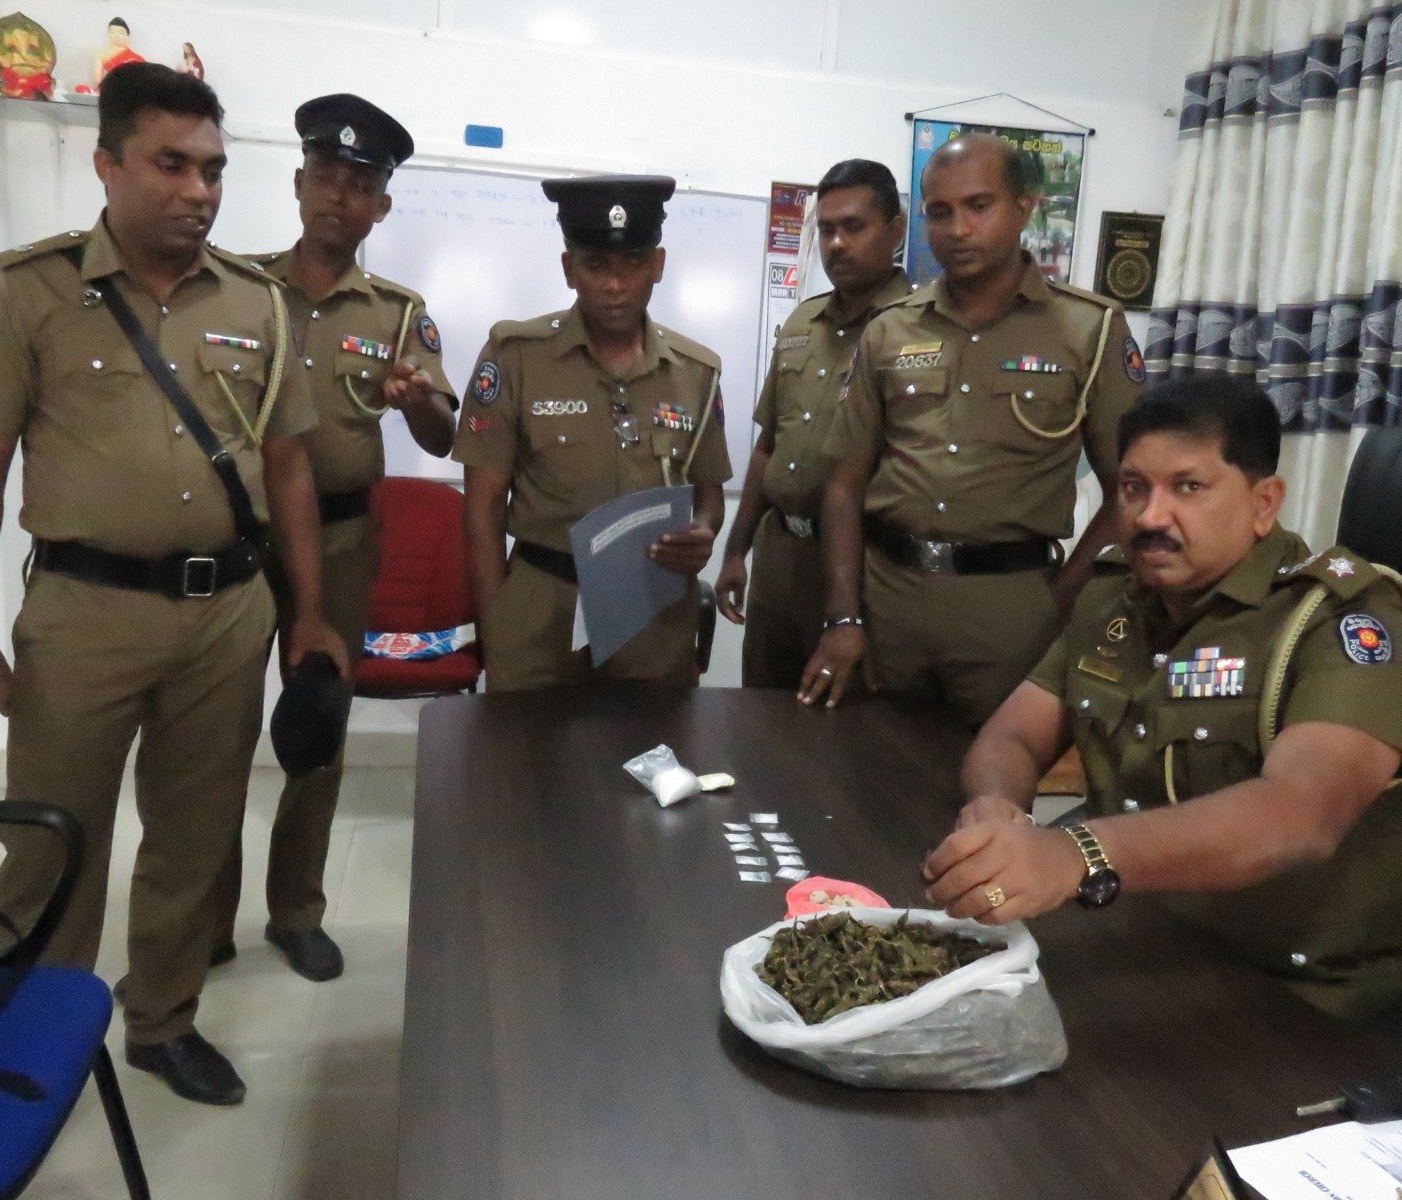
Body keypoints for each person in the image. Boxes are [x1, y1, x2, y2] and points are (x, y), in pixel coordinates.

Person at [0, 63, 345, 1106]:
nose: (199, 191)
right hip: (84, 617)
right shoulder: (29, 293)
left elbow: (289, 467)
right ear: (108, 164)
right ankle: (27, 1036)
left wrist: (308, 615)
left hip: (227, 616)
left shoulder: (257, 302)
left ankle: (163, 1022)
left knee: (194, 837)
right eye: (172, 164)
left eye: (213, 169)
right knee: (50, 838)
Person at [922, 376, 1402, 1020]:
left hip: (1304, 996)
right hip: (1143, 942)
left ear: (1264, 504)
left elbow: (1300, 815)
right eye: (1133, 488)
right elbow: (1014, 735)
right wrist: (996, 808)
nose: (1150, 517)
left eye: (1188, 488)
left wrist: (1078, 853)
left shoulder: (1343, 622)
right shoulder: (1115, 598)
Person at [211, 93, 459, 983]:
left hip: (345, 540)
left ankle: (296, 911)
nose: (338, 196)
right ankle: (201, 921)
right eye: (325, 176)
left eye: (359, 185)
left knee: (319, 728)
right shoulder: (235, 288)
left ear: (381, 206)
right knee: (214, 735)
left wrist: (417, 400)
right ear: (298, 182)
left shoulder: (397, 312)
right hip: (242, 542)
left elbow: (443, 435)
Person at [800, 133, 1143, 721]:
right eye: (940, 212)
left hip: (1010, 613)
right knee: (867, 763)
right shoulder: (890, 330)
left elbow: (1130, 493)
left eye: (979, 206)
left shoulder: (1090, 330)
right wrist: (843, 616)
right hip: (888, 606)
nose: (957, 229)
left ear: (1025, 206)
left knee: (994, 770)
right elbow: (843, 483)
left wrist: (1057, 603)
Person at [453, 175, 732, 691]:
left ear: (658, 265)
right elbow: (483, 507)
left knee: (650, 738)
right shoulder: (515, 357)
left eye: (632, 264)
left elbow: (708, 496)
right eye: (596, 265)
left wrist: (704, 531)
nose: (614, 284)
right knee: (524, 742)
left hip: (653, 603)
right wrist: (497, 620)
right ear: (569, 269)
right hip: (540, 604)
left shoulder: (696, 373)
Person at [714, 160, 911, 688]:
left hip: (862, 567)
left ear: (896, 230)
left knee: (839, 716)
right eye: (826, 229)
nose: (837, 244)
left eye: (854, 226)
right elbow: (769, 446)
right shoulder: (804, 321)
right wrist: (736, 551)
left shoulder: (917, 332)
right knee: (760, 707)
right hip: (779, 557)